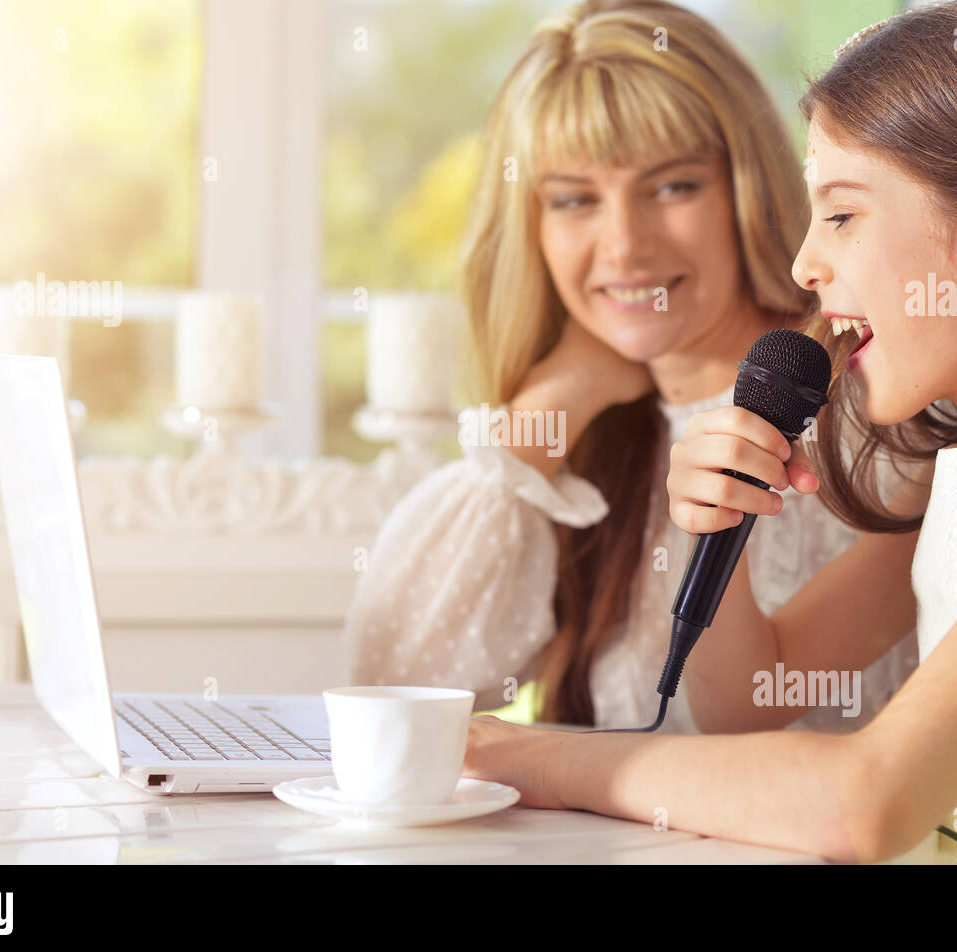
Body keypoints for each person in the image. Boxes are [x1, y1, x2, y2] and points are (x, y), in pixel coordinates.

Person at [462, 0, 957, 865]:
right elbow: (751, 698)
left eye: (840, 215)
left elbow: (866, 802)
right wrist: (719, 531)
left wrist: (533, 755)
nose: (803, 263)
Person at [344, 0, 917, 734]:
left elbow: (761, 730)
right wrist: (558, 397)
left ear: (745, 187)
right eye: (576, 200)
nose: (623, 245)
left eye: (672, 186)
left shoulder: (882, 403)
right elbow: (393, 701)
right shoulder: (587, 453)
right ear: (532, 231)